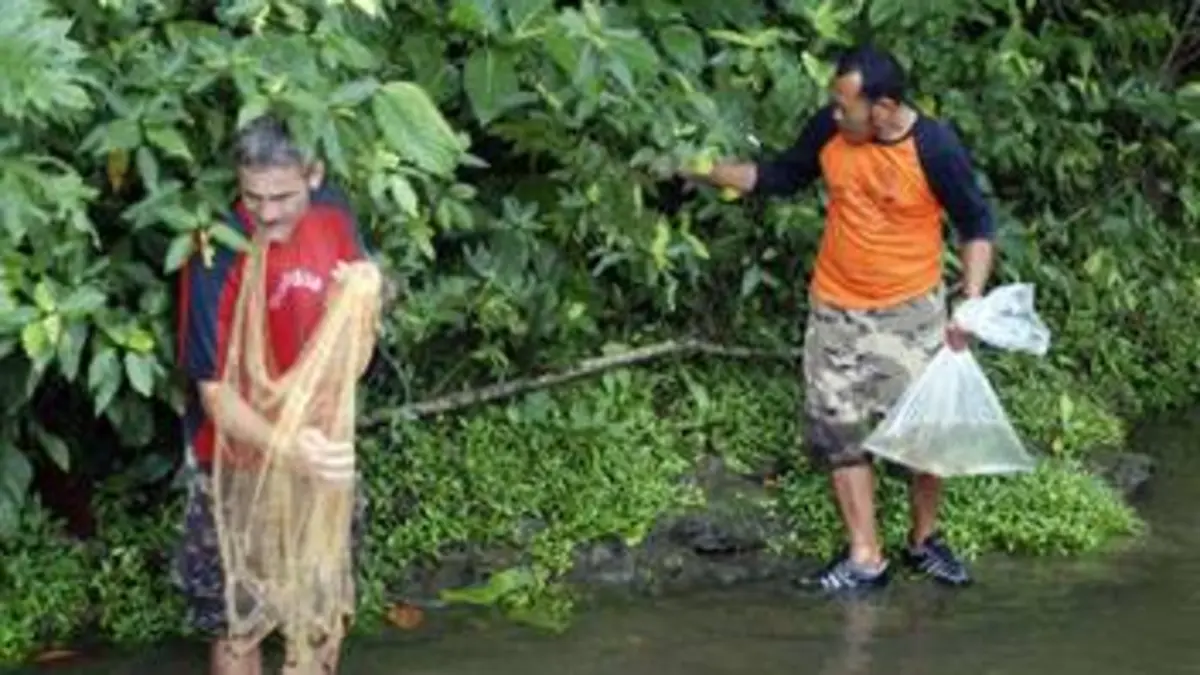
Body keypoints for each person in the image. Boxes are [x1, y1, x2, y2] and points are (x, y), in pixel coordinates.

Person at [686, 45, 996, 594]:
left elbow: (977, 225)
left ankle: (924, 541)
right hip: (835, 309)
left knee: (923, 434)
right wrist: (697, 168)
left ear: (884, 108)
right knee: (838, 429)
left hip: (911, 314)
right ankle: (864, 556)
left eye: (845, 106)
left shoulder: (935, 148)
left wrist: (968, 301)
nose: (834, 114)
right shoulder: (830, 131)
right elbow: (779, 176)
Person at [173, 114, 374, 674]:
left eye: (282, 196)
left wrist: (361, 300)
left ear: (314, 175)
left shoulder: (337, 216)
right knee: (239, 619)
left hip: (322, 448)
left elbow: (365, 316)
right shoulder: (218, 246)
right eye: (252, 196)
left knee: (320, 609)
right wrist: (291, 449)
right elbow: (213, 393)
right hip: (233, 460)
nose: (265, 213)